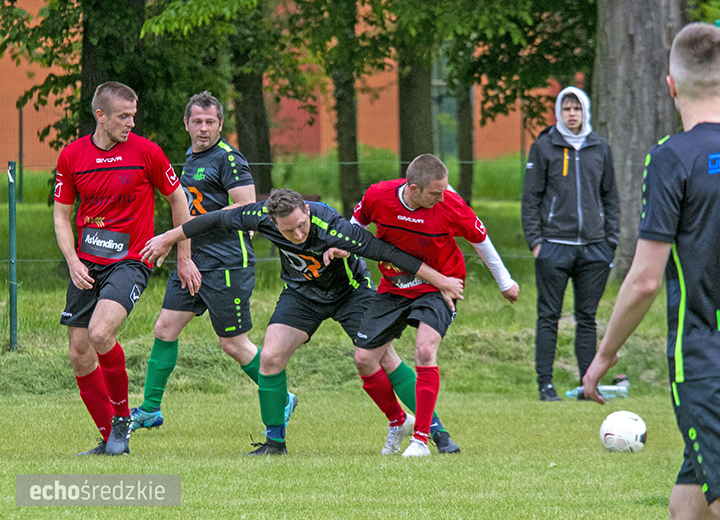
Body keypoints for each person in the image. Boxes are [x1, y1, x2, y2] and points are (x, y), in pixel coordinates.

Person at [583, 23, 720, 520]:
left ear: (669, 87)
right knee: (688, 507)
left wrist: (604, 354)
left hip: (711, 366)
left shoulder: (672, 158)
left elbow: (646, 278)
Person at [140, 188, 465, 455]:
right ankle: (274, 443)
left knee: (382, 358)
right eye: (287, 230)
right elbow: (214, 219)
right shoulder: (259, 215)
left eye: (301, 226)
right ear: (272, 222)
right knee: (270, 357)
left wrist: (441, 281)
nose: (297, 234)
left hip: (350, 294)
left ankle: (434, 429)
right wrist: (169, 237)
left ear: (307, 213)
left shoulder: (333, 226)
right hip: (302, 294)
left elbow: (387, 252)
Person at [128, 92, 301, 434]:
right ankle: (149, 411)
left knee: (232, 344)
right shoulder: (190, 157)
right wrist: (185, 254)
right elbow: (188, 208)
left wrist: (178, 234)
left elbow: (245, 210)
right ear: (186, 124)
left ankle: (282, 398)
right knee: (164, 329)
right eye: (197, 122)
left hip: (226, 263)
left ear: (221, 124)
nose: (203, 129)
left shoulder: (229, 160)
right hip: (193, 261)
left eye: (210, 122)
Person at [53, 81, 195, 456]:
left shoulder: (147, 152)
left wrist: (183, 255)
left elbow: (179, 200)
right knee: (79, 351)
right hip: (86, 263)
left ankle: (121, 419)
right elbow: (61, 213)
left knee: (100, 334)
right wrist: (71, 261)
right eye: (123, 116)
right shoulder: (71, 156)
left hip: (131, 261)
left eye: (133, 115)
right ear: (100, 116)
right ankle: (108, 440)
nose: (131, 122)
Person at [352, 153, 520, 457]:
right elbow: (356, 224)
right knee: (364, 358)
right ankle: (398, 422)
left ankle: (420, 440)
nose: (443, 196)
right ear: (413, 188)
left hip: (442, 285)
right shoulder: (378, 195)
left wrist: (505, 282)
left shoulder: (450, 205)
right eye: (435, 192)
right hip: (394, 285)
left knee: (425, 349)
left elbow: (481, 240)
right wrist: (343, 248)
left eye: (445, 190)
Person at [521, 86, 620, 401]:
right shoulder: (544, 147)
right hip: (553, 246)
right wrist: (537, 243)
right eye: (566, 109)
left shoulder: (600, 148)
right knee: (548, 316)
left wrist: (610, 242)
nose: (572, 114)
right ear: (559, 113)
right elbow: (530, 199)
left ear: (585, 111)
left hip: (594, 249)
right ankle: (545, 386)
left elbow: (611, 198)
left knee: (586, 318)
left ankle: (586, 385)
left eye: (577, 108)